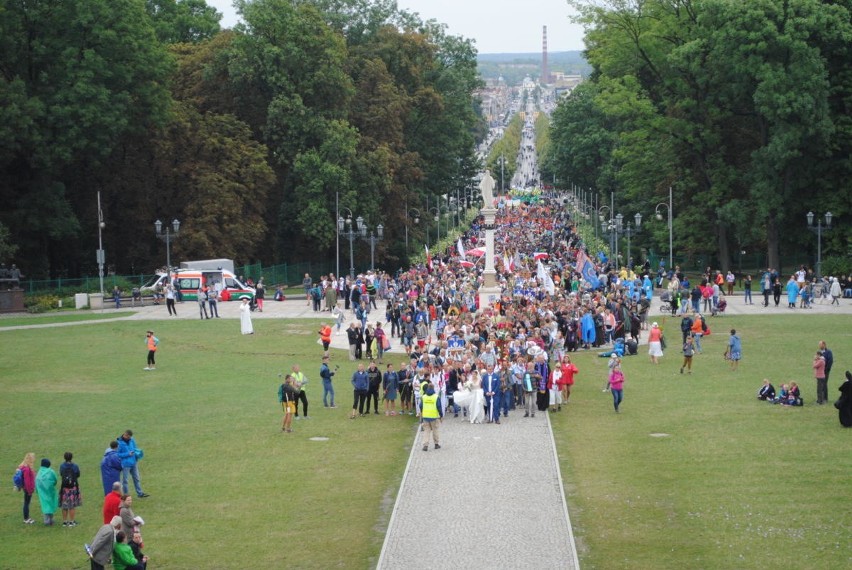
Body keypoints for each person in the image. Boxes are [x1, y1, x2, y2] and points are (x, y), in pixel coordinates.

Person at [117, 430, 148, 498]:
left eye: (130, 437)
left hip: (134, 463)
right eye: (127, 436)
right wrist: (128, 454)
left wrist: (137, 455)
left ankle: (140, 493)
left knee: (136, 478)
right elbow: (117, 454)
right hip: (125, 465)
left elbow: (135, 448)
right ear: (125, 435)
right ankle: (126, 496)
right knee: (125, 481)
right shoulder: (119, 443)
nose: (129, 438)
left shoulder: (132, 440)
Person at [59, 451, 82, 527]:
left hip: (65, 487)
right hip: (73, 487)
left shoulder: (62, 466)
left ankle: (65, 521)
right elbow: (78, 474)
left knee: (64, 505)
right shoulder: (75, 466)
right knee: (72, 506)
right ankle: (72, 521)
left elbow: (61, 474)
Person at [420, 382, 444, 451]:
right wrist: (441, 415)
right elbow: (439, 407)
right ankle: (436, 444)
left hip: (425, 416)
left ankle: (425, 445)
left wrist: (422, 412)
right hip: (434, 417)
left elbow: (421, 406)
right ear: (433, 388)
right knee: (435, 430)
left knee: (426, 431)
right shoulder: (436, 397)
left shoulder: (424, 397)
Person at [35, 457, 58, 525]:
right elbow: (55, 480)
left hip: (42, 491)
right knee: (51, 503)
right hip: (50, 491)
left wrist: (37, 490)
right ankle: (50, 519)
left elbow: (36, 481)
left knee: (45, 504)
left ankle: (47, 519)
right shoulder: (51, 471)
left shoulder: (39, 472)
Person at [17, 452, 36, 524]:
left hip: (25, 488)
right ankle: (26, 518)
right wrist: (30, 490)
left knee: (26, 503)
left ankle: (27, 517)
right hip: (28, 489)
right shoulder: (27, 469)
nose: (34, 459)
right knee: (26, 503)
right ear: (30, 459)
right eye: (33, 457)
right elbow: (27, 481)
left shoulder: (23, 466)